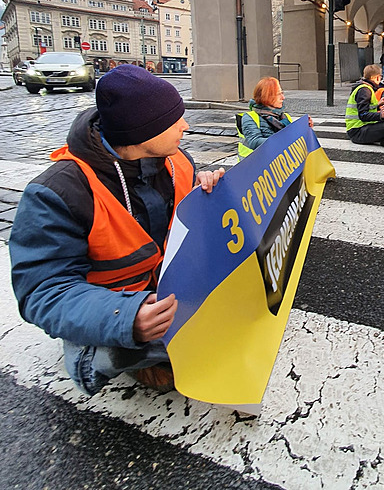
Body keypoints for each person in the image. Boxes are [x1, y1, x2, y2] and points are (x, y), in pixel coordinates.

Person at [9, 65, 224, 396]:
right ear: (141, 132)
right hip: (115, 305)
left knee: (224, 330)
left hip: (167, 293)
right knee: (198, 347)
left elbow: (185, 228)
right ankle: (91, 355)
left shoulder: (177, 160)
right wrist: (127, 317)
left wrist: (207, 193)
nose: (185, 126)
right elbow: (43, 291)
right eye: (172, 120)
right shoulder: (56, 193)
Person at [236, 76, 313, 160]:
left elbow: (295, 140)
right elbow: (255, 142)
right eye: (279, 94)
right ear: (267, 96)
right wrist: (284, 140)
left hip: (280, 166)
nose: (283, 98)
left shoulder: (285, 117)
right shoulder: (249, 117)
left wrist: (306, 129)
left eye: (282, 93)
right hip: (257, 168)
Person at [345, 64, 384, 149]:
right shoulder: (365, 90)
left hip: (361, 128)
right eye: (380, 77)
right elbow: (363, 115)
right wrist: (380, 115)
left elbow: (365, 109)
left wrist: (378, 105)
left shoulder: (365, 88)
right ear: (377, 77)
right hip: (358, 131)